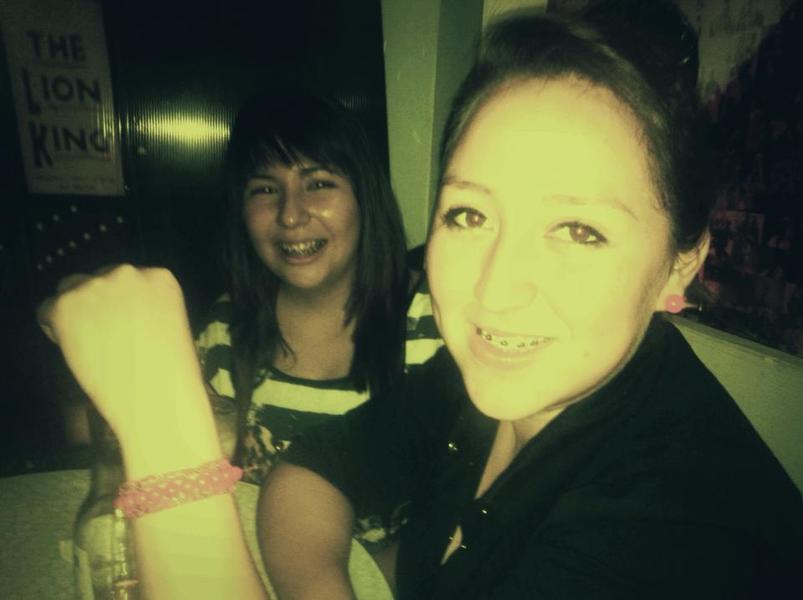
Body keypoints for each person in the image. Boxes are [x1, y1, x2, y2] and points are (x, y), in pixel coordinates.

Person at [39, 2, 802, 599]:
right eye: (468, 215)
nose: (493, 289)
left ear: (681, 263)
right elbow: (314, 470)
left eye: (578, 230)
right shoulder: (490, 383)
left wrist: (166, 437)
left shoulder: (677, 534)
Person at [195, 93, 441, 546]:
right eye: (265, 189)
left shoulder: (437, 324)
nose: (290, 215)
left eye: (319, 184)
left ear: (365, 196)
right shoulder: (224, 329)